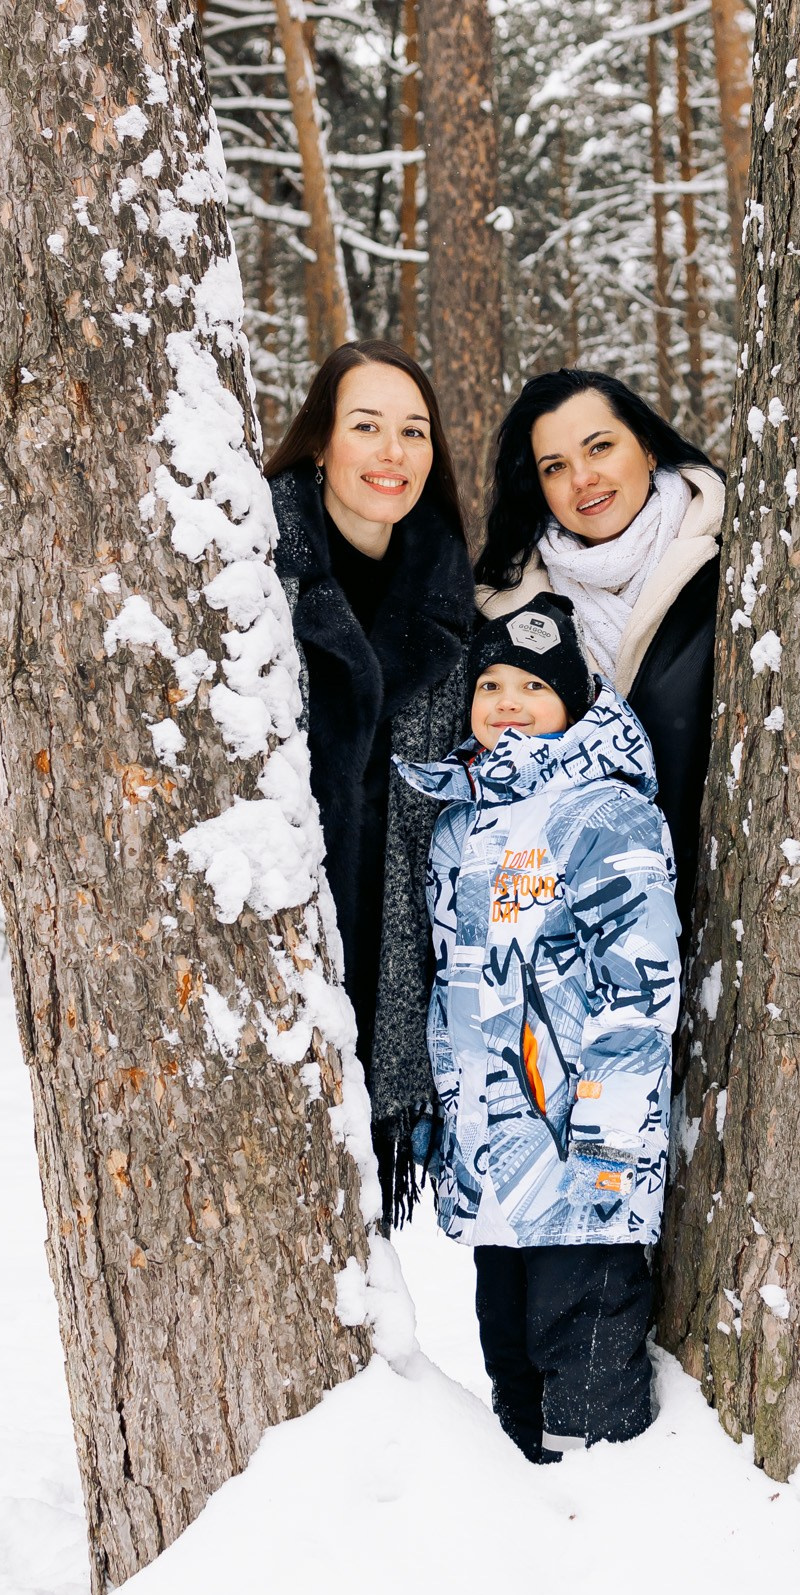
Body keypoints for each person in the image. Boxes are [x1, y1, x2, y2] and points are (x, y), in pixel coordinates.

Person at [397, 594, 682, 1463]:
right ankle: (527, 1528)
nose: (507, 701)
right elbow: (455, 989)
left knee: (584, 1379)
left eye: (532, 684)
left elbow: (638, 993)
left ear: (575, 702)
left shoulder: (608, 813)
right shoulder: (461, 823)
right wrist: (446, 1117)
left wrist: (607, 1144)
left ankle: (594, 1533)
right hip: (495, 1172)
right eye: (490, 683)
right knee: (510, 1371)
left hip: (583, 1170)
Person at [264, 342, 475, 1226]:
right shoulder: (256, 571)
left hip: (392, 968)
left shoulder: (456, 594)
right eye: (367, 427)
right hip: (279, 956)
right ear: (320, 444)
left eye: (413, 432)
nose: (394, 453)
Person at [475, 371, 724, 914]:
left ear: (649, 448)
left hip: (723, 918)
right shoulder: (504, 612)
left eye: (601, 447)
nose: (582, 479)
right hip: (575, 945)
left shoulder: (731, 569)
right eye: (555, 467)